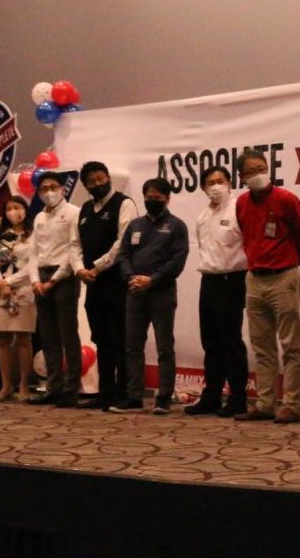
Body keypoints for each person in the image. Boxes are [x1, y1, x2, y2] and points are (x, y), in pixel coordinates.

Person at [232, 148, 300, 423]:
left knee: (290, 344)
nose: (257, 174)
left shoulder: (286, 199)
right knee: (261, 345)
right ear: (241, 177)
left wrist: (290, 263)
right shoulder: (241, 203)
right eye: (251, 171)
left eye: (261, 168)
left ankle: (292, 404)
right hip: (254, 279)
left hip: (283, 276)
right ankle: (265, 403)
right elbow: (245, 233)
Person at [110, 178, 190, 415]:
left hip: (161, 292)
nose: (152, 201)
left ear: (167, 198)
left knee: (165, 346)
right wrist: (131, 278)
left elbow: (177, 260)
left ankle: (163, 397)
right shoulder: (134, 225)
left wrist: (152, 279)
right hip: (135, 292)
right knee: (133, 346)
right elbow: (123, 255)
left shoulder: (177, 226)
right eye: (148, 197)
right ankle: (134, 396)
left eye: (157, 197)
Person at [187, 165, 251, 418]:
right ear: (204, 188)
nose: (216, 186)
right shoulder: (202, 216)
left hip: (233, 279)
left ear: (229, 183)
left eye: (220, 181)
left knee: (231, 340)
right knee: (210, 342)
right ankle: (211, 396)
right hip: (209, 280)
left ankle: (238, 398)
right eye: (210, 182)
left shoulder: (239, 208)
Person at [74, 161, 138, 410]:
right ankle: (106, 391)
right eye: (92, 181)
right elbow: (76, 244)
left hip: (116, 281)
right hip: (92, 283)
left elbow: (122, 242)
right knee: (101, 338)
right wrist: (79, 268)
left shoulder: (124, 203)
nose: (98, 184)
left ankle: (124, 392)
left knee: (119, 337)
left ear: (109, 177)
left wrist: (98, 267)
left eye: (101, 179)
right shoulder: (86, 209)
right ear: (86, 186)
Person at [28, 171, 84, 407]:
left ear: (62, 188)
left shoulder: (74, 212)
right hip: (41, 276)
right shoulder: (39, 217)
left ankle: (71, 389)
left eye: (53, 187)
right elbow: (32, 252)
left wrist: (54, 280)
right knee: (48, 335)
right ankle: (53, 387)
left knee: (68, 334)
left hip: (65, 277)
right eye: (44, 189)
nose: (49, 192)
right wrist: (35, 281)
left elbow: (74, 249)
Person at [0, 195, 36, 402]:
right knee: (3, 340)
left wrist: (11, 281)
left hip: (23, 290)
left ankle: (24, 384)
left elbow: (33, 263)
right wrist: (0, 282)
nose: (13, 212)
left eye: (17, 207)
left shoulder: (33, 235)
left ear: (25, 210)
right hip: (0, 291)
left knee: (24, 339)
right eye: (9, 208)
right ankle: (6, 384)